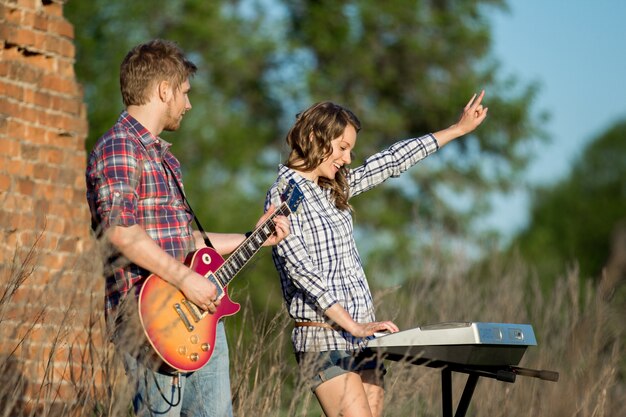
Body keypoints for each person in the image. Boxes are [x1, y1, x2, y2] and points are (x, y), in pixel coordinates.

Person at [86, 39, 289, 417]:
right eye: (184, 93)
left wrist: (256, 237)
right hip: (149, 322)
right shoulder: (118, 147)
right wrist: (186, 280)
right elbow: (121, 232)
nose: (188, 104)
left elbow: (187, 240)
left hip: (199, 316)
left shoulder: (165, 159)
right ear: (164, 91)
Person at [264, 93, 488, 417]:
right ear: (315, 137)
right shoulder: (283, 195)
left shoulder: (334, 189)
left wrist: (456, 130)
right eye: (342, 147)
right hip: (324, 338)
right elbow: (302, 273)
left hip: (363, 340)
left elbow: (391, 161)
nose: (348, 158)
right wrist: (352, 326)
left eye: (351, 149)